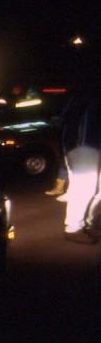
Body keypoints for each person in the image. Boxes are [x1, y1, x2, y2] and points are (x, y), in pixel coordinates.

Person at [60, 87, 101, 244]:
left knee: (95, 189)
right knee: (84, 188)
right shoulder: (87, 91)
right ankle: (73, 228)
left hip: (89, 143)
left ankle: (87, 224)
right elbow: (67, 116)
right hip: (82, 143)